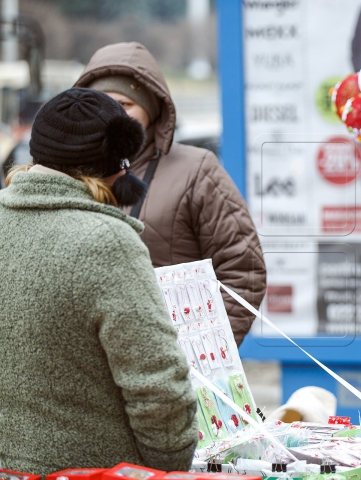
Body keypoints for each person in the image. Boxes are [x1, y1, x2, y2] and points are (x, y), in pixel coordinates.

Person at [0, 88, 197, 474]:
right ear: (118, 164)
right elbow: (158, 388)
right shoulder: (107, 242)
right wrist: (167, 467)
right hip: (94, 470)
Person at [74, 42, 266, 347]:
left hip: (169, 369)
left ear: (151, 109)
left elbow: (243, 269)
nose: (112, 116)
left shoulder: (196, 169)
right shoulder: (67, 173)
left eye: (124, 104)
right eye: (101, 103)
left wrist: (202, 354)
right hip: (91, 375)